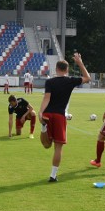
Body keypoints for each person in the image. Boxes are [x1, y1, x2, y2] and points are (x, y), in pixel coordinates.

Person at [38, 52, 91, 182]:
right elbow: (87, 78)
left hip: (48, 114)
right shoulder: (70, 81)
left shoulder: (50, 81)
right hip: (59, 115)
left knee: (46, 145)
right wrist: (79, 63)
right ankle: (53, 175)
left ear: (56, 69)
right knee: (58, 147)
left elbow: (47, 98)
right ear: (67, 70)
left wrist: (40, 112)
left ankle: (44, 128)